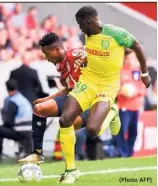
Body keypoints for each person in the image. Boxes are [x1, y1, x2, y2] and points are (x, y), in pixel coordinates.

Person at [53, 5, 151, 183]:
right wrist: (85, 58)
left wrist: (144, 74)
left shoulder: (116, 33)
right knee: (64, 120)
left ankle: (112, 112)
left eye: (80, 23)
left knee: (92, 130)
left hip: (108, 85)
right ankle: (71, 170)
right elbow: (94, 53)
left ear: (89, 21)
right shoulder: (89, 35)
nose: (79, 28)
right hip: (87, 81)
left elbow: (138, 47)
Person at [18, 32, 120, 166]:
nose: (46, 58)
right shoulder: (60, 65)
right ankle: (37, 154)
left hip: (90, 101)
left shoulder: (75, 54)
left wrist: (90, 56)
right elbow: (68, 88)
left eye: (47, 54)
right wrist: (47, 98)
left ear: (57, 50)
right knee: (39, 108)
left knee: (83, 128)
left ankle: (111, 113)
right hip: (73, 97)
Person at [0, 79, 33, 162]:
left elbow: (9, 122)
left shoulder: (12, 100)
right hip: (29, 131)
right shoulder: (22, 99)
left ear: (7, 88)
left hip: (19, 132)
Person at [116, 49, 146, 157]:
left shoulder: (138, 72)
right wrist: (122, 92)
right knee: (122, 131)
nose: (130, 61)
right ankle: (121, 153)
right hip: (124, 107)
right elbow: (114, 90)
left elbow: (143, 90)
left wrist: (134, 92)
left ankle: (130, 153)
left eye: (132, 58)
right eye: (128, 59)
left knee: (134, 132)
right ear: (124, 59)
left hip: (136, 107)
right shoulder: (119, 72)